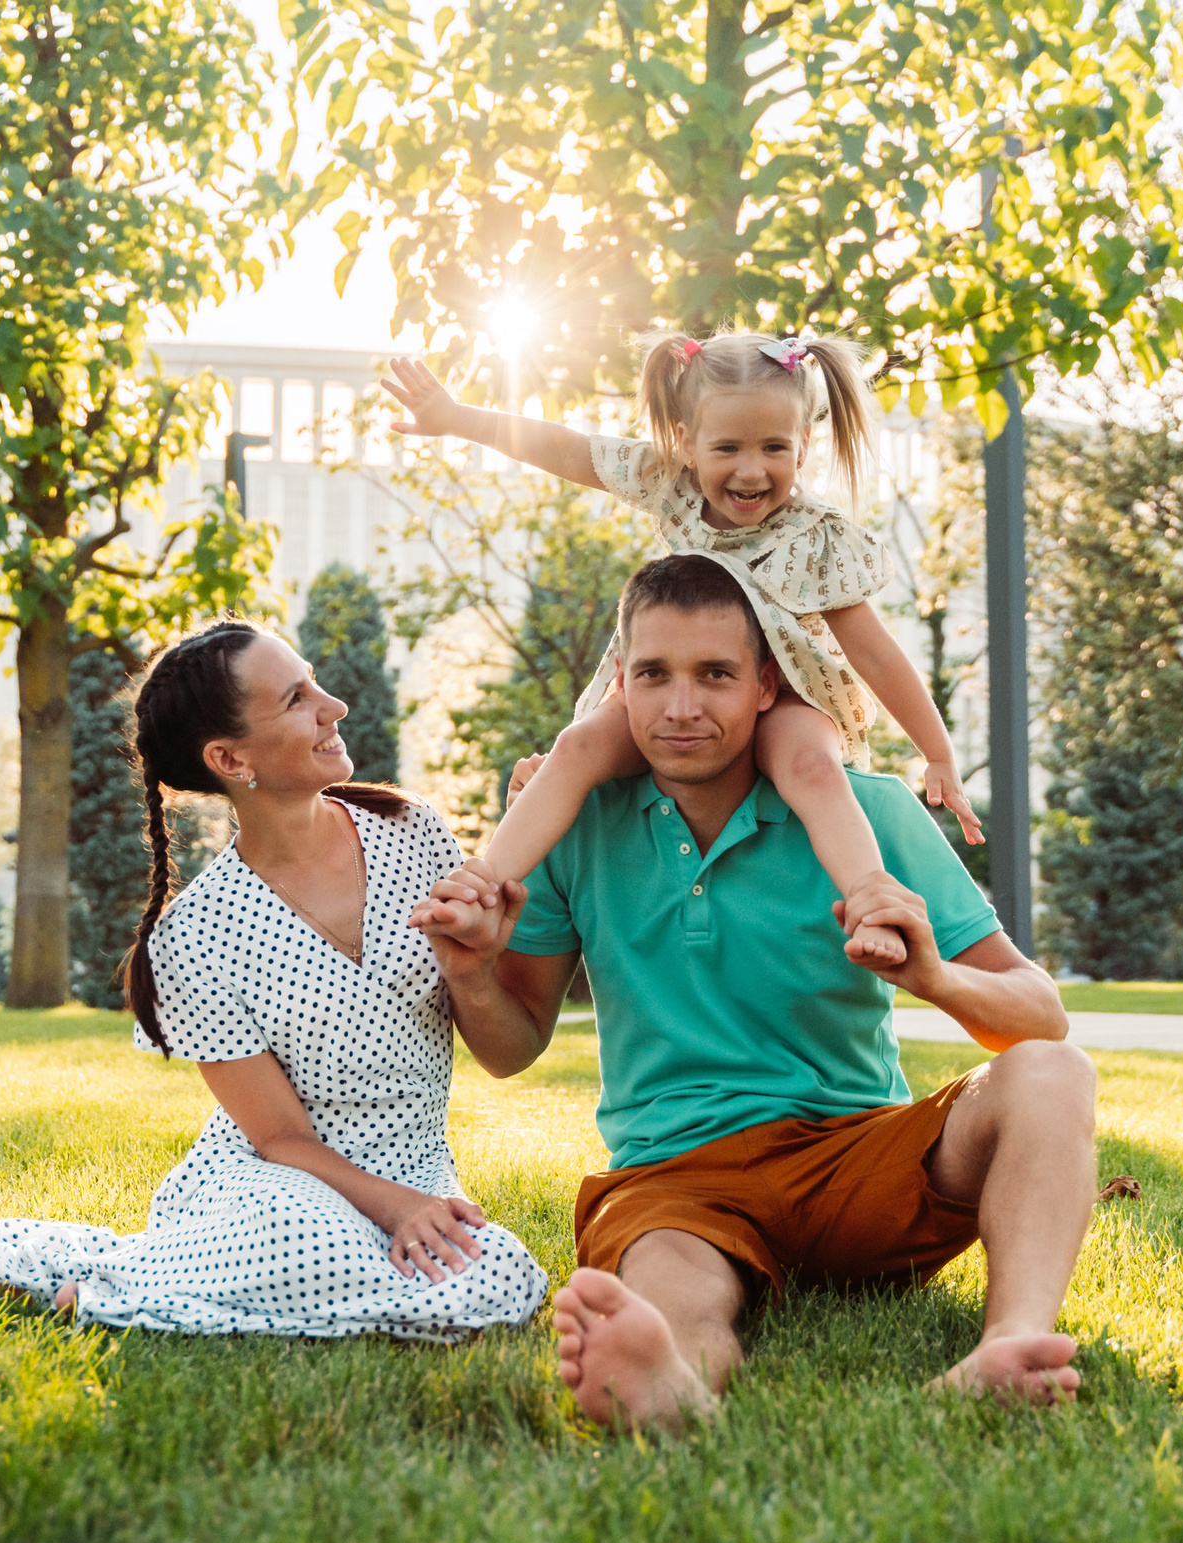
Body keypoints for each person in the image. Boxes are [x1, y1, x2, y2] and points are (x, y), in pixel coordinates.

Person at [413, 555, 1100, 1432]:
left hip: (858, 1155)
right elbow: (512, 1050)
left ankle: (1009, 1346)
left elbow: (1040, 1016)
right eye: (654, 675)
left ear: (766, 686)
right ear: (620, 682)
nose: (681, 707)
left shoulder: (871, 816)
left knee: (1053, 1071)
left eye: (715, 676)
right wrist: (470, 967)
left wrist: (933, 978)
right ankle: (670, 1383)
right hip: (679, 1176)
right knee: (672, 1287)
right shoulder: (571, 823)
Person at [0, 620, 549, 1341]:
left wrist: (471, 977)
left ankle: (132, 1274)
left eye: (314, 683)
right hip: (276, 1190)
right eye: (296, 699)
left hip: (415, 1170)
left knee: (499, 1273)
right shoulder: (191, 939)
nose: (334, 705)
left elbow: (504, 1055)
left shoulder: (411, 831)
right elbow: (279, 1137)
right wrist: (393, 1209)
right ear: (228, 757)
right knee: (315, 1242)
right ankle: (107, 1290)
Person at [383, 332, 981, 969]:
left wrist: (937, 752)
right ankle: (484, 879)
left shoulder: (815, 540)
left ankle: (870, 896)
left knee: (811, 768)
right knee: (576, 748)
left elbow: (879, 657)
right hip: (679, 682)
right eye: (727, 448)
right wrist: (456, 420)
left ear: (803, 445)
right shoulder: (669, 485)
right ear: (686, 442)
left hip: (791, 694)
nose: (752, 471)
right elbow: (566, 448)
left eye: (774, 448)